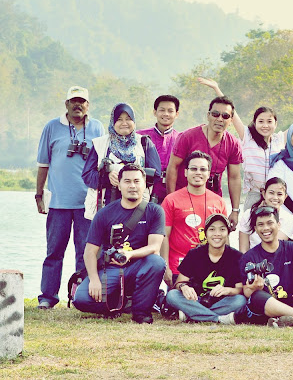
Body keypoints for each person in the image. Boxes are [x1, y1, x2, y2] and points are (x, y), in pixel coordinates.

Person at [197, 77, 293, 210]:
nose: (265, 125)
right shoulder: (247, 137)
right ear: (255, 123)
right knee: (249, 230)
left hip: (276, 196)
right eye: (261, 121)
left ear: (275, 123)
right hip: (255, 194)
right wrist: (216, 89)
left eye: (269, 121)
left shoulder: (279, 139)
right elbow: (231, 113)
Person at [35, 86, 105, 309]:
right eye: (73, 101)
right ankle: (48, 297)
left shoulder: (97, 127)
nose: (78, 105)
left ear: (88, 105)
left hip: (88, 204)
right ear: (66, 104)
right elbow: (43, 164)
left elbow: (103, 164)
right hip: (58, 202)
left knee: (86, 252)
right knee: (54, 251)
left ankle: (79, 297)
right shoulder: (52, 127)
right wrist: (39, 194)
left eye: (82, 101)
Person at [73, 164, 166, 323]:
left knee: (156, 262)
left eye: (137, 181)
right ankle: (120, 302)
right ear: (119, 185)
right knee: (81, 299)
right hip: (111, 268)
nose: (132, 186)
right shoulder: (105, 213)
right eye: (127, 181)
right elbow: (89, 251)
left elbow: (155, 247)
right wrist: (94, 279)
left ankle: (141, 312)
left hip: (139, 266)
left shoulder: (155, 211)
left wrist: (130, 254)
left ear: (144, 184)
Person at [166, 96, 243, 230]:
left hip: (212, 200)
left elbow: (234, 177)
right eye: (215, 114)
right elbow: (172, 168)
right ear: (208, 115)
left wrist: (235, 210)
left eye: (225, 116)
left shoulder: (233, 143)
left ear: (231, 120)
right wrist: (171, 202)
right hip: (184, 197)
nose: (219, 119)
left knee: (212, 238)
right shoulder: (187, 137)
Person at [82, 102, 162, 219]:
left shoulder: (144, 143)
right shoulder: (100, 144)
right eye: (119, 119)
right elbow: (87, 176)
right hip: (106, 209)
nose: (124, 123)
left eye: (128, 119)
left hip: (137, 211)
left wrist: (131, 177)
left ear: (134, 121)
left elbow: (156, 174)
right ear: (113, 122)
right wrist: (107, 178)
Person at [161, 151, 227, 287]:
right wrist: (165, 266)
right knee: (177, 297)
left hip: (209, 268)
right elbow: (163, 236)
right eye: (193, 169)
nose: (198, 172)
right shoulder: (171, 200)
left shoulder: (218, 202)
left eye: (203, 169)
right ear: (185, 172)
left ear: (209, 174)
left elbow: (225, 238)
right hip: (178, 267)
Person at [165, 213, 246, 323]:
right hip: (196, 300)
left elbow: (240, 290)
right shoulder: (194, 254)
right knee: (172, 295)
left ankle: (192, 314)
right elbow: (179, 283)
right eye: (212, 229)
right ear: (206, 233)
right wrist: (184, 287)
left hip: (221, 301)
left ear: (227, 233)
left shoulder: (236, 256)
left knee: (240, 301)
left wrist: (227, 290)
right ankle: (218, 319)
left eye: (222, 230)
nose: (217, 234)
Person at [137, 95, 181, 203]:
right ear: (155, 112)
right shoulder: (140, 136)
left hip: (172, 192)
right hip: (144, 193)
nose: (166, 114)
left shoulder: (181, 138)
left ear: (176, 114)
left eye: (170, 111)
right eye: (162, 110)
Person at [237, 177, 293, 253]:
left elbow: (273, 247)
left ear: (285, 197)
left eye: (279, 194)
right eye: (271, 193)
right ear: (264, 194)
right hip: (251, 261)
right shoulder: (248, 215)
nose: (275, 198)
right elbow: (243, 250)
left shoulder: (289, 219)